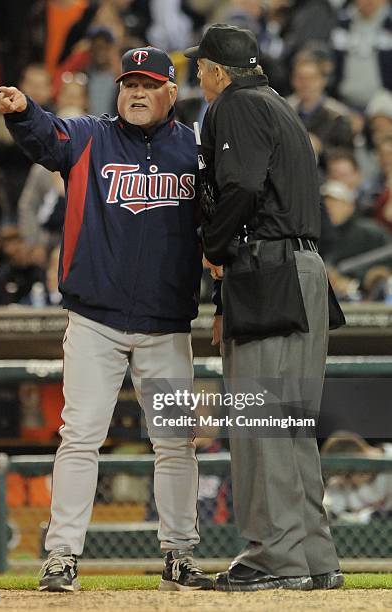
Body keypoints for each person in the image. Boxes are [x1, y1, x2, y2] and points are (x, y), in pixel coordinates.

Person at [0, 46, 212, 593]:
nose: (136, 93)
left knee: (175, 442)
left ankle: (180, 553)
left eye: (147, 84)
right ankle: (62, 555)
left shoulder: (195, 148)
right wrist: (22, 111)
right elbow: (47, 136)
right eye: (128, 84)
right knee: (80, 436)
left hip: (166, 323)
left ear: (170, 91)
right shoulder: (91, 135)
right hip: (95, 320)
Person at [184, 24, 345, 591]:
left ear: (218, 72)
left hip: (269, 270)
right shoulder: (277, 105)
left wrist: (213, 247)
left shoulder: (233, 105)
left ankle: (275, 559)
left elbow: (243, 187)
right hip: (302, 272)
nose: (196, 74)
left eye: (200, 66)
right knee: (292, 425)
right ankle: (313, 558)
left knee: (261, 422)